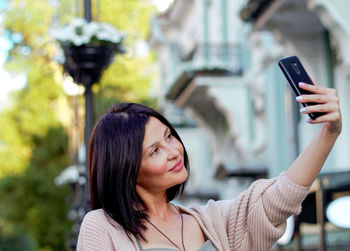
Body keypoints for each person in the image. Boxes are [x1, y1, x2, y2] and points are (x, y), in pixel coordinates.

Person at [77, 81, 342, 251]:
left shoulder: (214, 221)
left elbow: (281, 198)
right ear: (126, 171)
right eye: (155, 150)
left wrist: (329, 133)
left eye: (170, 136)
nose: (174, 151)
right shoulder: (102, 227)